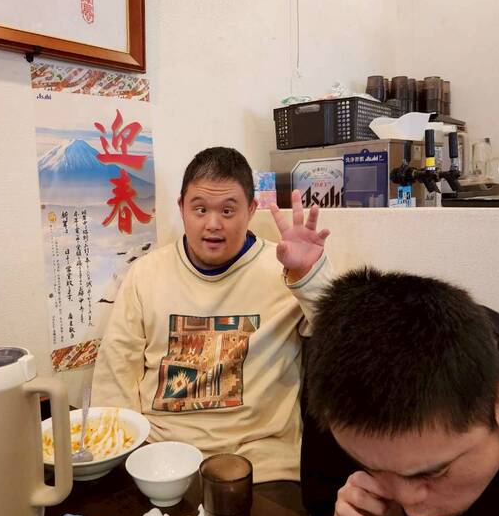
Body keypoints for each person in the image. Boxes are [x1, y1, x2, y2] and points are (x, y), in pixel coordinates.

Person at [92, 146, 332, 482]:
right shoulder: (145, 274)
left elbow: (344, 341)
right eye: (200, 209)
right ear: (181, 208)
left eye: (228, 210)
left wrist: (309, 275)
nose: (213, 224)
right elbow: (116, 374)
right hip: (160, 459)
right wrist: (122, 459)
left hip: (263, 466)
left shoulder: (283, 270)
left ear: (251, 210)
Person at [301, 266, 499, 516]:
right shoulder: (338, 393)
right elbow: (320, 505)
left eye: (433, 473)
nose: (412, 507)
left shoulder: (473, 384)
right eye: (372, 468)